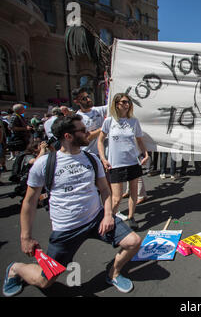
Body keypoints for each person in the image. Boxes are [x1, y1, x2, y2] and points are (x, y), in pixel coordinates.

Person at [2, 115, 142, 297]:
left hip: (96, 219)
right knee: (45, 281)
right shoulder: (44, 164)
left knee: (134, 242)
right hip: (66, 230)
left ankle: (113, 273)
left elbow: (105, 191)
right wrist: (25, 237)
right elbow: (29, 202)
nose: (88, 133)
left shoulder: (92, 159)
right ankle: (16, 269)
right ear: (68, 136)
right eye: (83, 131)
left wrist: (108, 215)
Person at [98, 93, 149, 230]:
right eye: (124, 102)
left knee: (133, 192)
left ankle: (131, 217)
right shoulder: (109, 121)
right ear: (116, 104)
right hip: (116, 164)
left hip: (133, 162)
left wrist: (145, 153)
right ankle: (110, 219)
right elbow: (100, 140)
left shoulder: (134, 121)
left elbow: (139, 139)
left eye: (128, 102)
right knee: (117, 198)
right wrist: (103, 158)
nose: (127, 104)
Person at [73, 87, 108, 156]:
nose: (88, 100)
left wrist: (111, 84)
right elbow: (87, 137)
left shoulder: (98, 110)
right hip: (89, 154)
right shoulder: (77, 119)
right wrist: (104, 127)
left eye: (88, 97)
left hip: (103, 153)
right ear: (76, 102)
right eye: (84, 99)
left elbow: (113, 105)